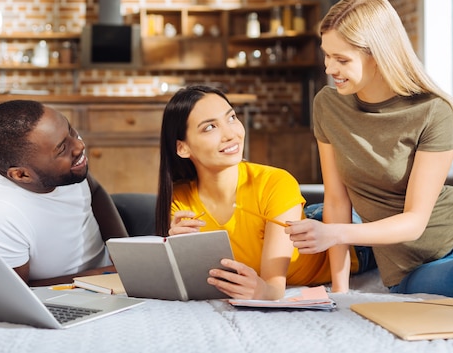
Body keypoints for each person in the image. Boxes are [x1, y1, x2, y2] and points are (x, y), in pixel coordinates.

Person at [285, 0, 453, 309]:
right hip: (412, 267)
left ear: (379, 55)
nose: (330, 68)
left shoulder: (434, 111)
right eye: (327, 56)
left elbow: (414, 220)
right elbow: (336, 199)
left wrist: (335, 233)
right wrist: (340, 291)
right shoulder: (328, 106)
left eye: (342, 59)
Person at [155, 85, 373, 301]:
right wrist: (180, 252)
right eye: (210, 127)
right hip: (299, 215)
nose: (231, 134)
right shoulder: (180, 201)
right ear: (183, 148)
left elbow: (273, 288)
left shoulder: (276, 182)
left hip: (348, 239)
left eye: (231, 118)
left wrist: (263, 291)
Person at [0, 100, 128, 287]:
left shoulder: (50, 157)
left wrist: (125, 255)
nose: (79, 145)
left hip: (112, 276)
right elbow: (14, 293)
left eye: (71, 130)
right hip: (64, 296)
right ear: (21, 174)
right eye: (62, 148)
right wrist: (95, 276)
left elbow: (94, 190)